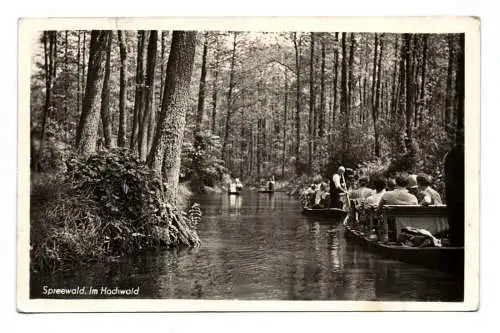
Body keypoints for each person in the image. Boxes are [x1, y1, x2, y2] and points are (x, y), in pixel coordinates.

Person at [444, 132, 464, 247]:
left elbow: (449, 178)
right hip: (462, 196)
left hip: (453, 196)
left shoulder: (450, 155)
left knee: (456, 227)